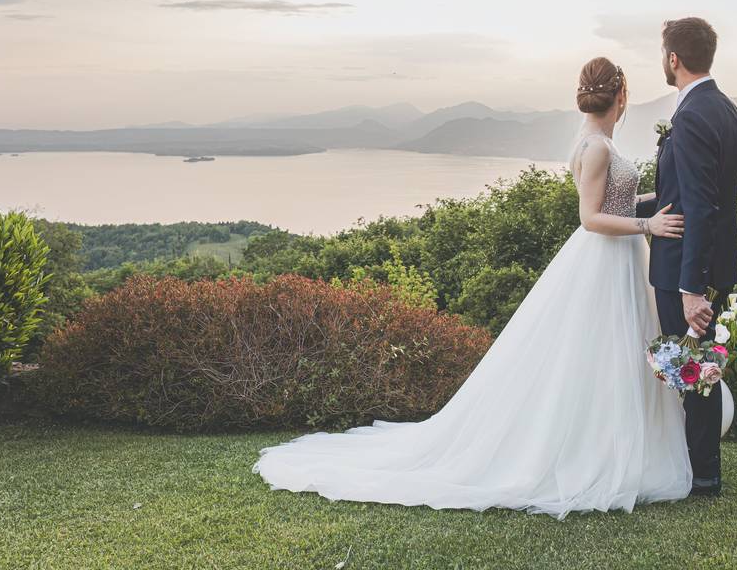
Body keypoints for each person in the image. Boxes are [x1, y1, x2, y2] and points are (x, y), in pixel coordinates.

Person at [251, 56, 692, 520]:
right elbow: (590, 219)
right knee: (600, 356)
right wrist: (649, 224)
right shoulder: (598, 146)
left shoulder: (592, 140)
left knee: (608, 357)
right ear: (621, 96)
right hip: (604, 260)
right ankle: (593, 452)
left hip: (617, 260)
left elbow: (612, 202)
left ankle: (610, 444)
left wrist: (657, 206)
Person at [637, 17, 737, 496]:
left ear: (673, 58)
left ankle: (702, 474)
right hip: (706, 264)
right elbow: (688, 194)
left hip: (685, 269)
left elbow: (701, 208)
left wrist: (690, 290)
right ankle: (699, 465)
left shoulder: (694, 115)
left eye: (663, 54)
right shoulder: (725, 108)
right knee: (695, 367)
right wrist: (637, 207)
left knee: (691, 371)